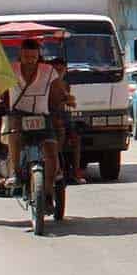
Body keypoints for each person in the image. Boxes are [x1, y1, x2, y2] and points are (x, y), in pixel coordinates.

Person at [0, 39, 62, 199]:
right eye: (27, 56)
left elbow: (58, 89)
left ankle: (48, 190)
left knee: (51, 150)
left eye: (33, 57)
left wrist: (66, 98)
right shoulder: (10, 69)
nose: (30, 60)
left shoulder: (48, 70)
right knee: (14, 134)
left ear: (38, 55)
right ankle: (16, 172)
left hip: (42, 115)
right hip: (18, 115)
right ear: (20, 54)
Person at [49, 55, 83, 185]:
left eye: (61, 69)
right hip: (49, 115)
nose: (58, 72)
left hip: (63, 115)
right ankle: (56, 166)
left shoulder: (64, 84)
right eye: (55, 69)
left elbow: (70, 101)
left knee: (76, 138)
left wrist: (68, 100)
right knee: (60, 133)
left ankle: (75, 171)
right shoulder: (47, 83)